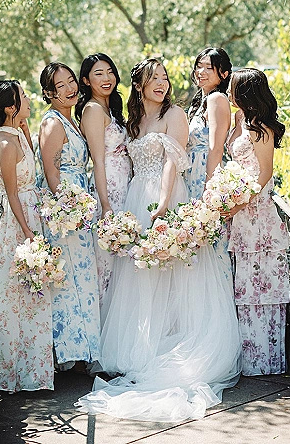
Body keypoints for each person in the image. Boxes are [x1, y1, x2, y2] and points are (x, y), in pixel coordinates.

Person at [77, 57, 241, 422]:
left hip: (166, 196)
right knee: (141, 275)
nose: (162, 83)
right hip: (136, 197)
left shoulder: (175, 115)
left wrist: (164, 204)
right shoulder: (134, 121)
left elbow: (171, 163)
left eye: (165, 78)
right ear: (139, 85)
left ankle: (174, 343)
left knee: (174, 271)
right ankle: (142, 349)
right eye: (154, 78)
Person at [0, 79, 54, 392]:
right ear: (10, 107)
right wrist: (27, 231)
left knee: (32, 297)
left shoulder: (16, 133)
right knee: (16, 297)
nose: (29, 100)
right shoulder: (5, 143)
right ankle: (12, 374)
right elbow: (11, 193)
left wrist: (25, 129)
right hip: (17, 221)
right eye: (23, 97)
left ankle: (34, 373)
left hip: (30, 213)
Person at [227, 68, 290, 375]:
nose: (228, 92)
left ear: (245, 93)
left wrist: (241, 201)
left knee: (263, 288)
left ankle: (265, 362)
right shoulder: (241, 122)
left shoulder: (261, 128)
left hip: (257, 213)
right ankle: (249, 359)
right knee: (246, 288)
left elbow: (264, 173)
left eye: (233, 88)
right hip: (241, 214)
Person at [38, 62, 100, 369]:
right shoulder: (52, 123)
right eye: (60, 86)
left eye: (71, 81)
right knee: (69, 279)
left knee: (84, 277)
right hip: (65, 210)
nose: (70, 88)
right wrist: (67, 208)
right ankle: (70, 353)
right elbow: (50, 170)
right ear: (49, 93)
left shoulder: (71, 119)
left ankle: (87, 348)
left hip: (80, 203)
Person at [76, 53, 131, 309]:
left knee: (122, 256)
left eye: (110, 71)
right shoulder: (93, 109)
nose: (106, 78)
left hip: (124, 183)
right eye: (98, 73)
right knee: (107, 259)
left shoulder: (111, 107)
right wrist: (106, 205)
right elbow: (97, 160)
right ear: (86, 80)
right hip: (108, 186)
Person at [185, 47, 232, 200]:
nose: (201, 71)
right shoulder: (199, 101)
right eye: (199, 66)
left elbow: (216, 149)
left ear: (224, 74)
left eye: (209, 68)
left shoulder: (217, 99)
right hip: (190, 170)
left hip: (204, 173)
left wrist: (209, 189)